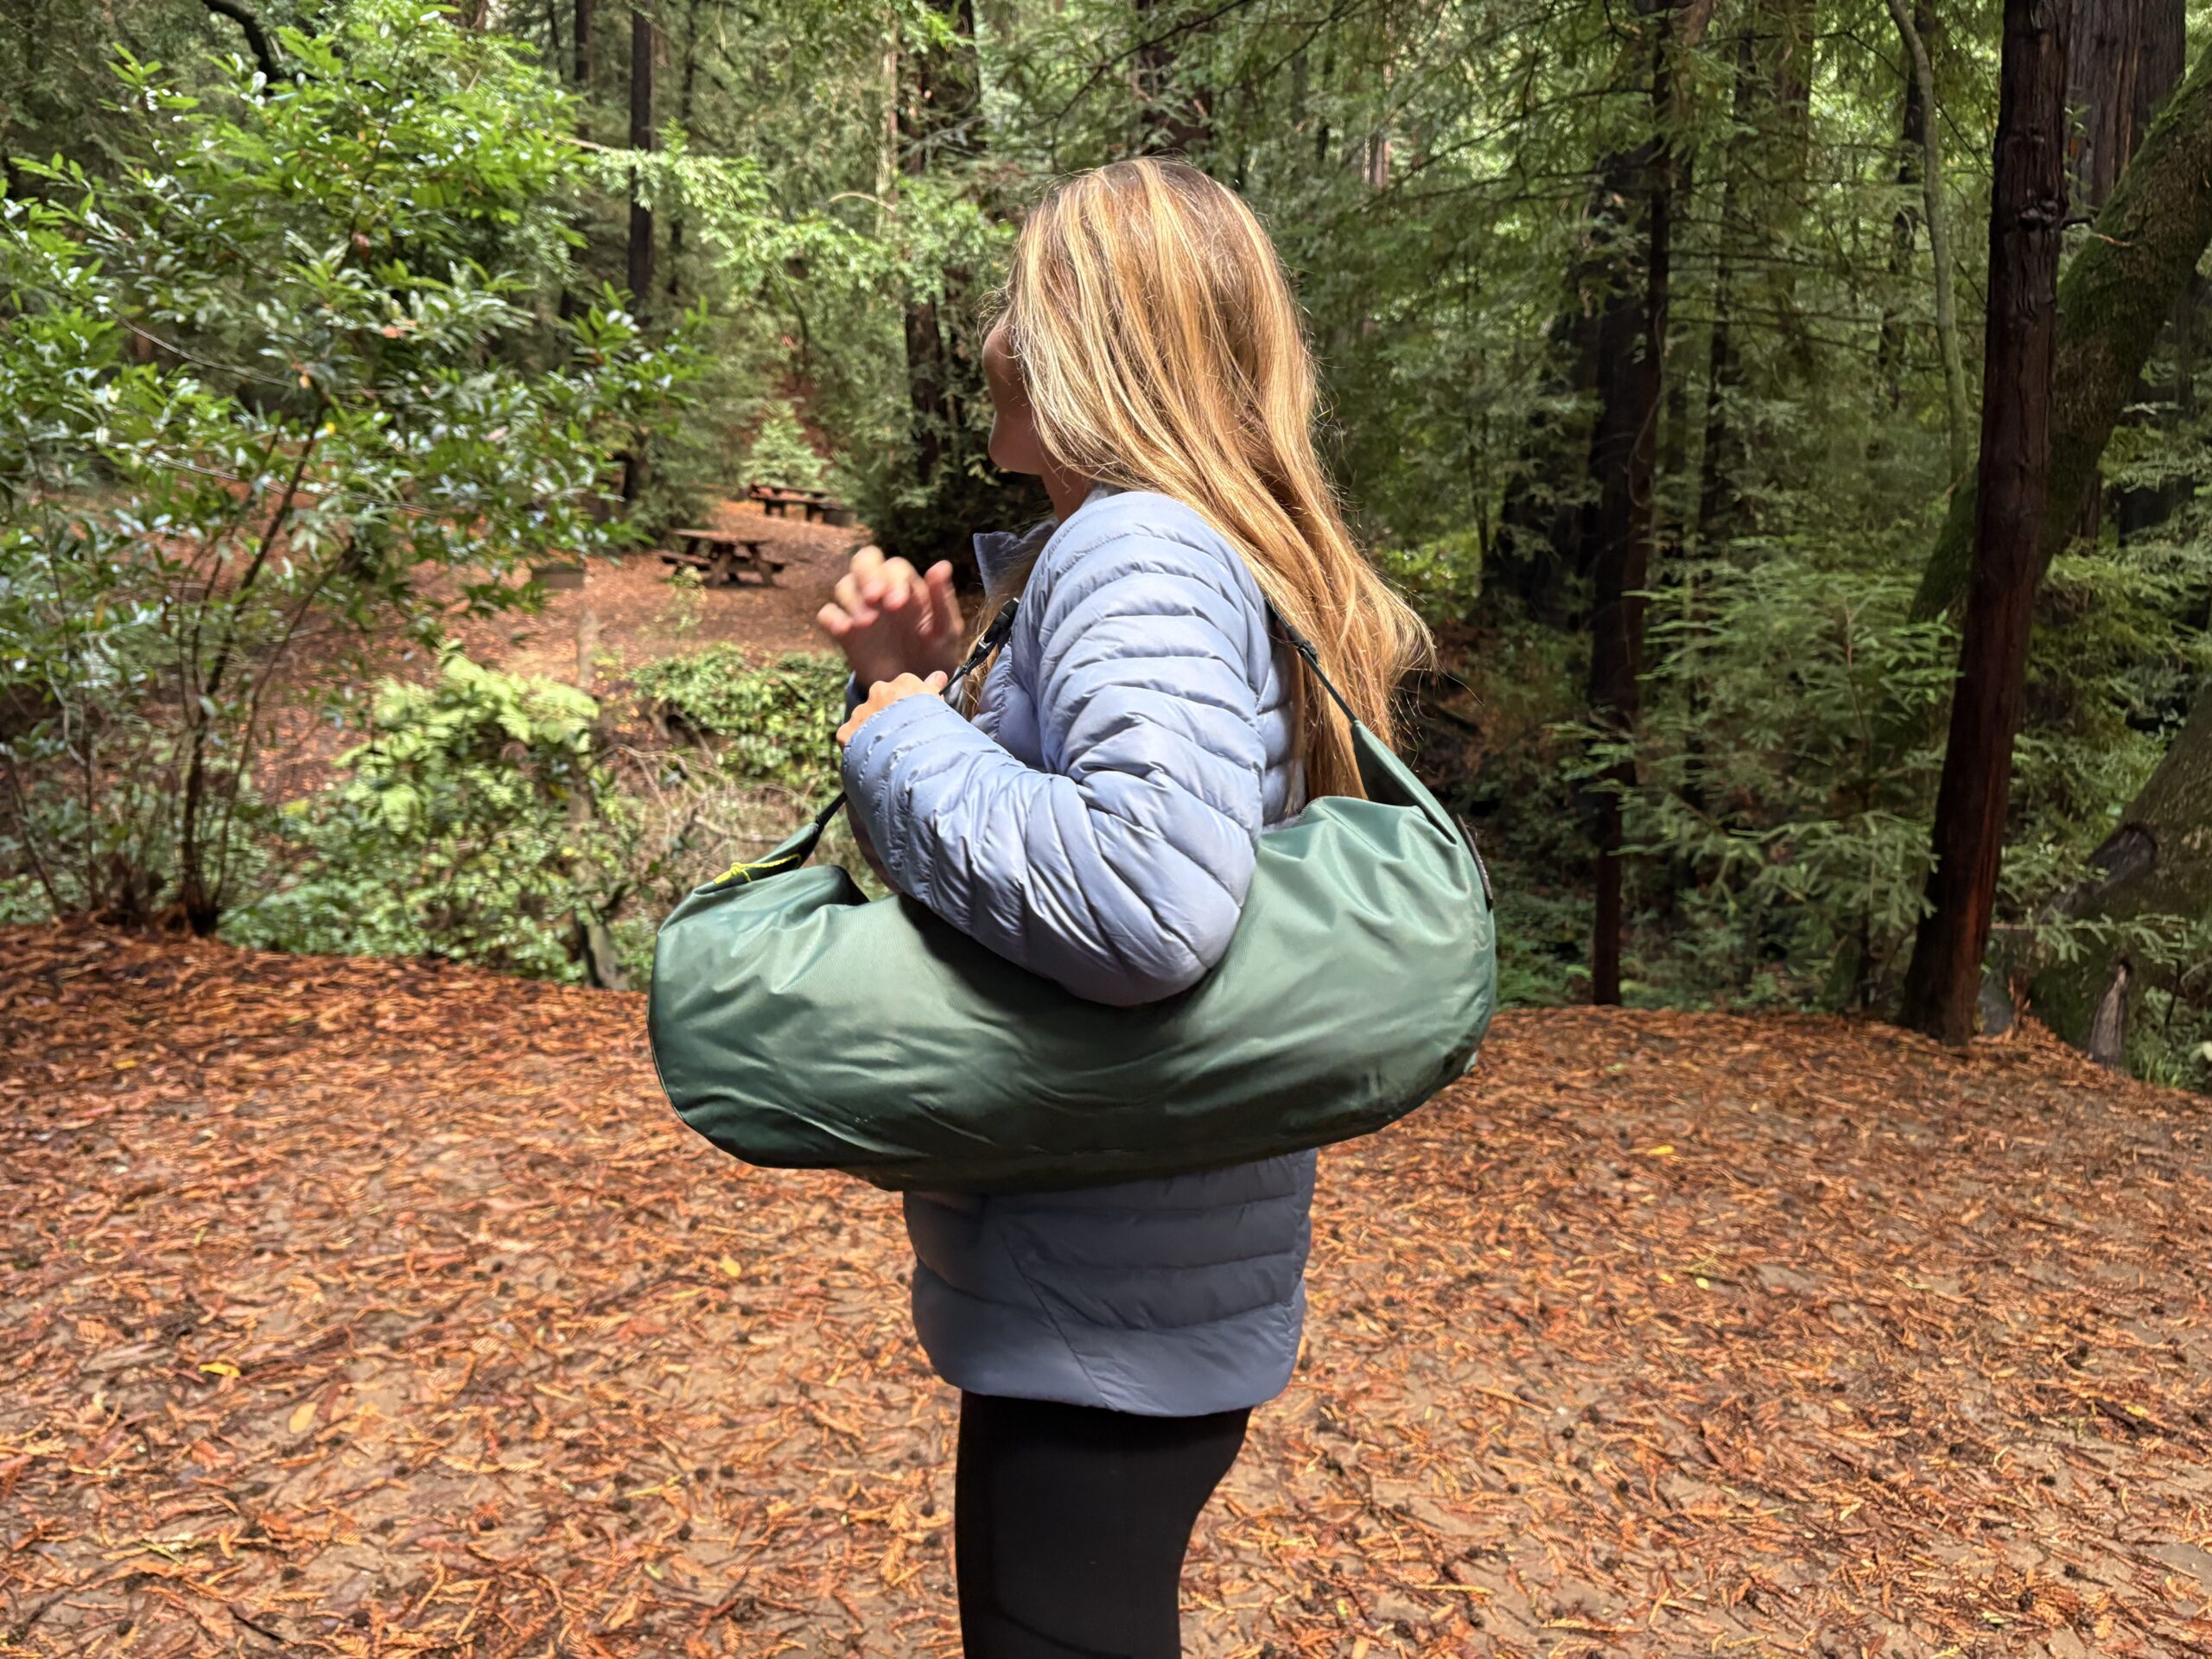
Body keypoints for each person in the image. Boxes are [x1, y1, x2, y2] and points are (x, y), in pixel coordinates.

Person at [814, 158, 1428, 1658]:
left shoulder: (1134, 546)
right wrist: (913, 684)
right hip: (1140, 1278)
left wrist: (894, 724)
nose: (990, 342)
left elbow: (1144, 902)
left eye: (1019, 304)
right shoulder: (1179, 545)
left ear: (1093, 338)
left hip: (1102, 1305)